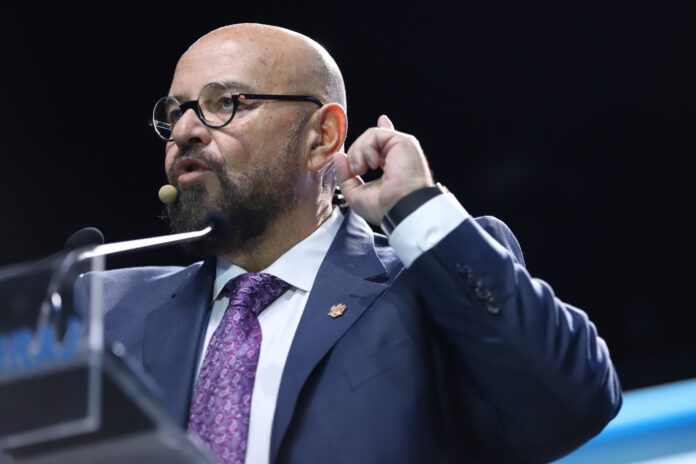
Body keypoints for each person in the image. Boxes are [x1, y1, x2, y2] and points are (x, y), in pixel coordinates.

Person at [85, 23, 621, 463]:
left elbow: (571, 402)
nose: (185, 131)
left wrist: (417, 208)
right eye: (175, 112)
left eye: (224, 102)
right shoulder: (102, 310)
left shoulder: (424, 288)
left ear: (322, 136)